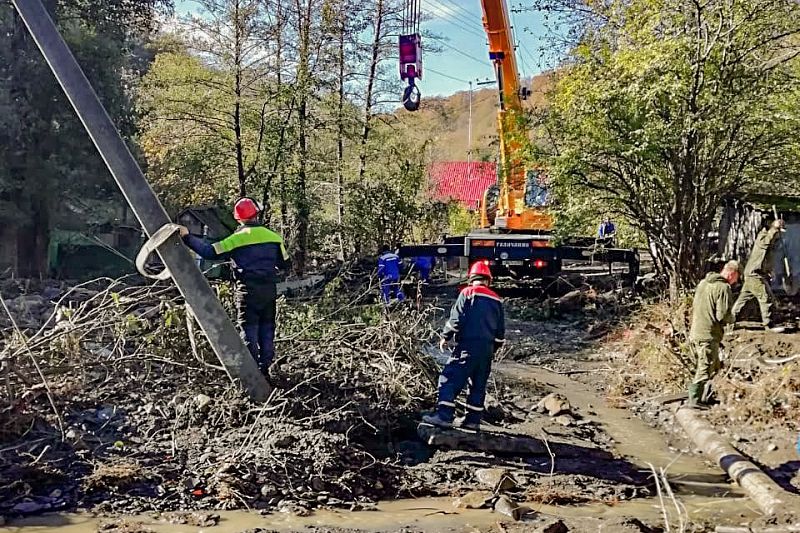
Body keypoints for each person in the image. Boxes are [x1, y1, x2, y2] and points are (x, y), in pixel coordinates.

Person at [178, 198, 289, 375]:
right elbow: (286, 265)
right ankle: (266, 367)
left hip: (247, 291)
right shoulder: (274, 238)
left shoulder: (237, 239)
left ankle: (252, 373)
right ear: (257, 214)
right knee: (267, 328)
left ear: (238, 218)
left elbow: (209, 252)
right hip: (269, 291)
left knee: (249, 329)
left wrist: (186, 237)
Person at [423, 262, 505, 431]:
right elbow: (500, 332)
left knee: (449, 378)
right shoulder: (497, 299)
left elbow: (456, 319)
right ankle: (473, 420)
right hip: (487, 350)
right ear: (488, 280)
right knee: (478, 384)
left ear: (471, 278)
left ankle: (444, 415)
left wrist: (446, 336)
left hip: (468, 346)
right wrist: (492, 349)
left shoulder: (467, 293)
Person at [687, 260, 740, 408]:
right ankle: (694, 400)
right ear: (732, 273)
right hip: (708, 335)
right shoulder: (723, 287)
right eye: (737, 277)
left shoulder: (703, 283)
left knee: (714, 366)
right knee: (705, 368)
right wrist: (733, 319)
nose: (736, 281)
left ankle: (706, 396)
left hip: (696, 331)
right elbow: (722, 315)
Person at [732, 219, 787, 333]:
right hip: (754, 275)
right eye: (778, 232)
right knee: (765, 297)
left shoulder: (769, 245)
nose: (778, 235)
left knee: (742, 300)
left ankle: (729, 323)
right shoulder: (762, 238)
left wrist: (768, 271)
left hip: (755, 274)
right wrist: (774, 228)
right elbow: (765, 243)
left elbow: (764, 261)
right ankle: (769, 325)